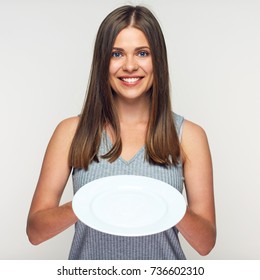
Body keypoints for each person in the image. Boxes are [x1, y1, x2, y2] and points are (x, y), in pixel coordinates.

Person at [26, 5, 216, 260]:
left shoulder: (189, 136)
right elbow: (35, 232)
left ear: (157, 60)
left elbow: (205, 243)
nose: (129, 66)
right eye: (117, 54)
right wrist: (91, 201)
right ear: (102, 61)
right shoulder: (71, 132)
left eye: (142, 53)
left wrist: (163, 201)